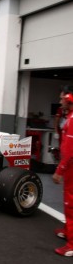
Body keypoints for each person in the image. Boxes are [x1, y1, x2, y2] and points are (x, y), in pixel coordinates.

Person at [52, 91, 73, 256]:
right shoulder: (70, 116)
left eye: (62, 99)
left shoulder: (72, 119)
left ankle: (71, 244)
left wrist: (59, 170)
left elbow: (69, 150)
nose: (60, 102)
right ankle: (68, 230)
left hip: (71, 167)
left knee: (70, 204)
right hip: (70, 167)